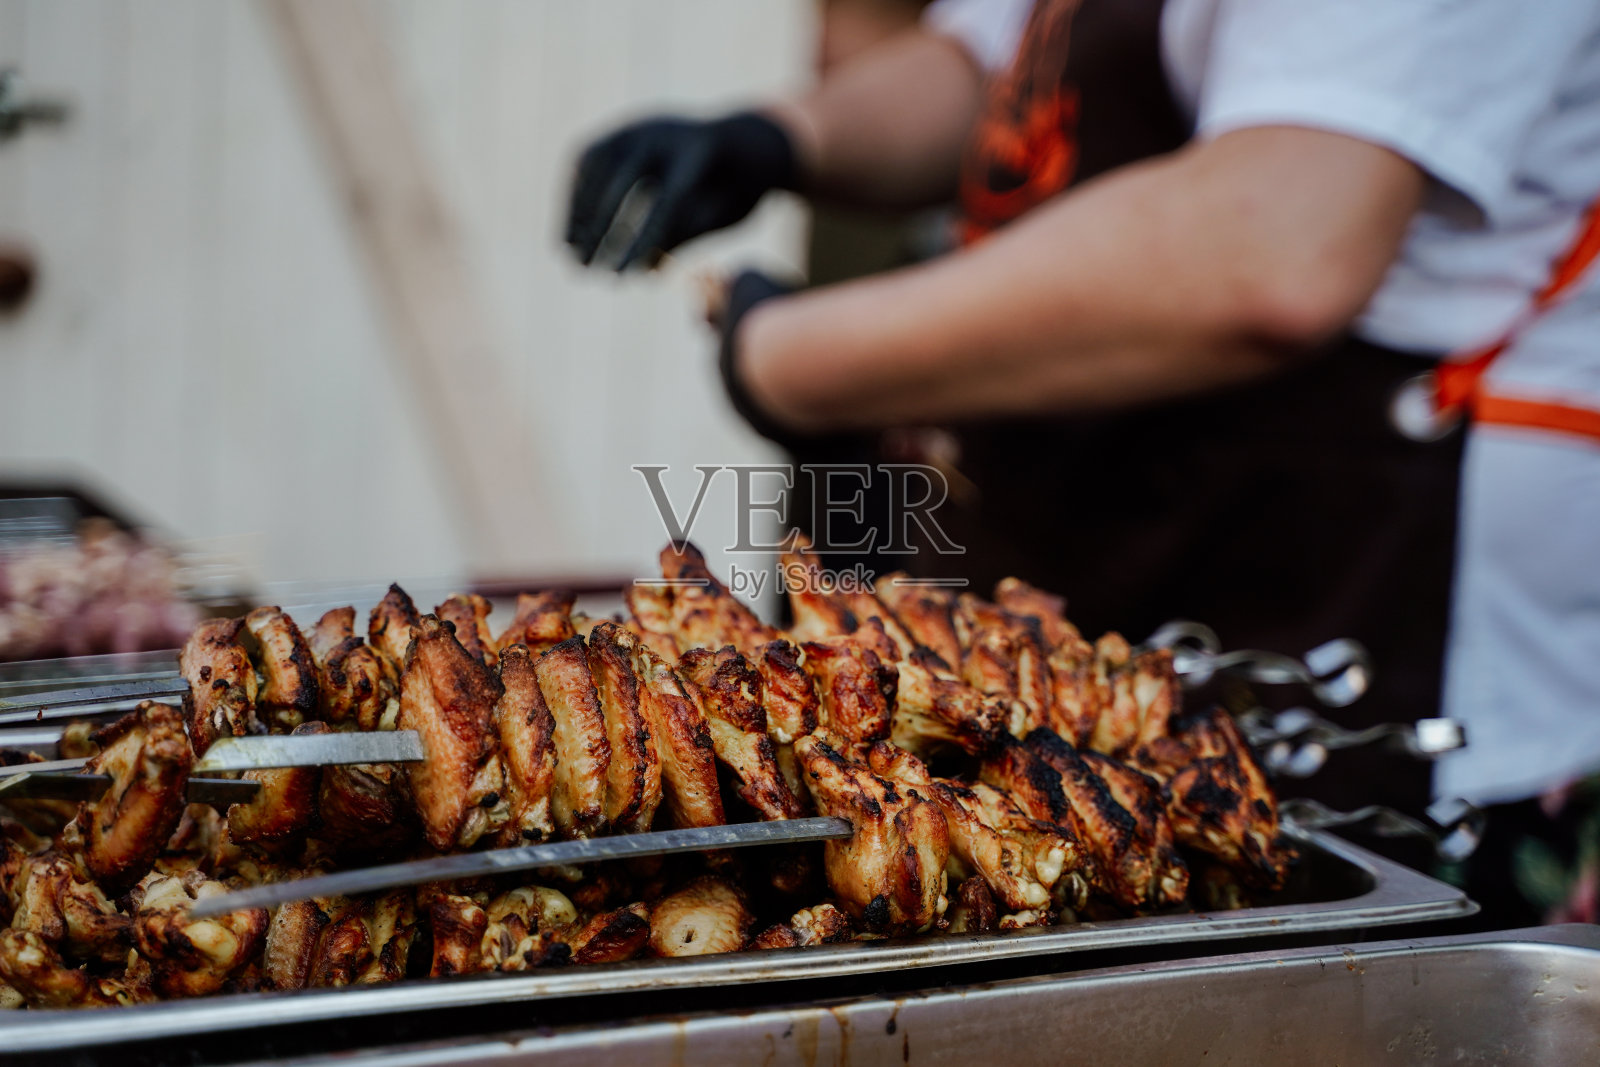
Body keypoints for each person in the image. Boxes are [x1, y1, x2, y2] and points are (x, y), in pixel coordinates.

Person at [565, 0, 1600, 917]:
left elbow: (1274, 246)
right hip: (1103, 534)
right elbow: (998, 62)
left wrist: (793, 360)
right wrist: (783, 134)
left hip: (1361, 593)